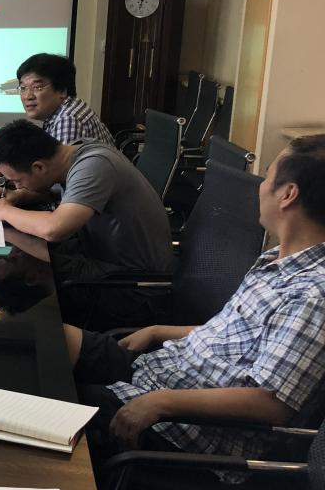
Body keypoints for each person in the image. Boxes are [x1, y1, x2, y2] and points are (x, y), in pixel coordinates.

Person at [65, 135, 325, 460]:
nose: (260, 186)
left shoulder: (313, 294)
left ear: (287, 195)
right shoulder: (277, 259)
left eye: (268, 175)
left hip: (185, 425)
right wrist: (158, 330)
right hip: (165, 371)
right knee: (54, 340)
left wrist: (163, 402)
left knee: (47, 402)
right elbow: (230, 335)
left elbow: (271, 403)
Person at [0, 119, 174, 329]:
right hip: (105, 258)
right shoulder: (76, 152)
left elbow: (55, 229)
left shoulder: (95, 165)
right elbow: (62, 193)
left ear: (38, 167)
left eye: (17, 181)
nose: (16, 186)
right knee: (34, 252)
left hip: (132, 287)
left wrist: (4, 211)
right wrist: (19, 196)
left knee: (38, 267)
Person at [0, 54, 115, 183]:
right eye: (23, 88)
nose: (28, 96)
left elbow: (52, 181)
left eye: (37, 87)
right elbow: (40, 162)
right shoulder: (61, 112)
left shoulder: (68, 119)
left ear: (62, 90)